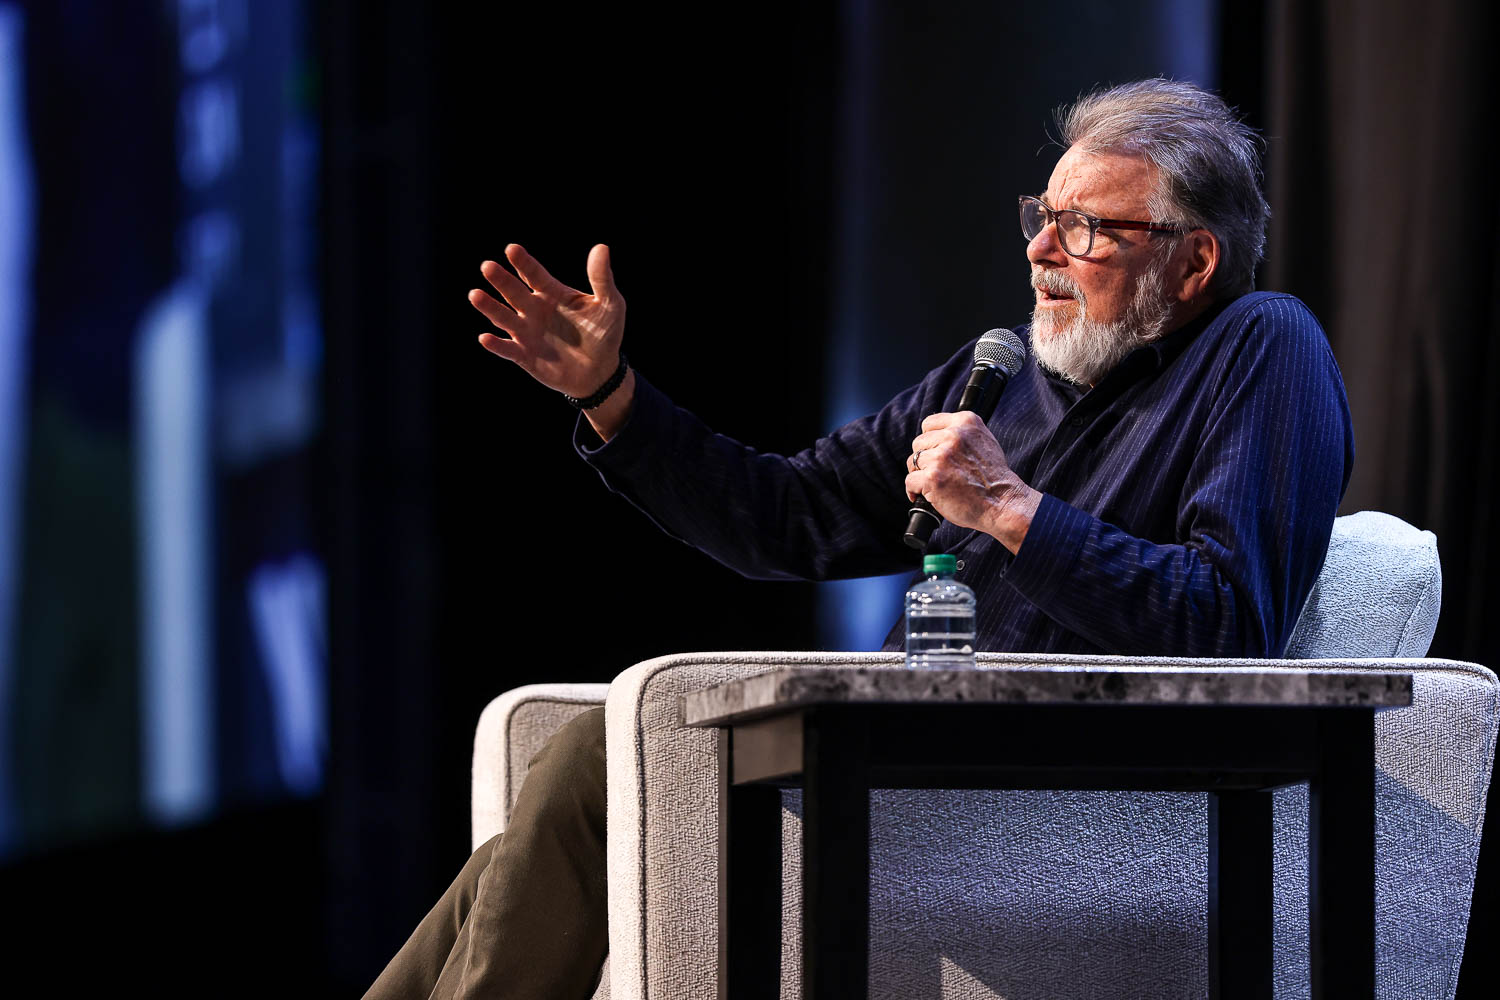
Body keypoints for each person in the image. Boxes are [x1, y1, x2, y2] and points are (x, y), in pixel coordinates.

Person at [364, 78, 1352, 1000]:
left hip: (1068, 794)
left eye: (1084, 228)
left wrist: (1008, 507)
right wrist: (609, 394)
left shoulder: (1262, 347)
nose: (1040, 252)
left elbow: (1227, 624)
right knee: (551, 817)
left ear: (1194, 261)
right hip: (901, 762)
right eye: (1040, 218)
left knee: (600, 755)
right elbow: (787, 516)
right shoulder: (1006, 375)